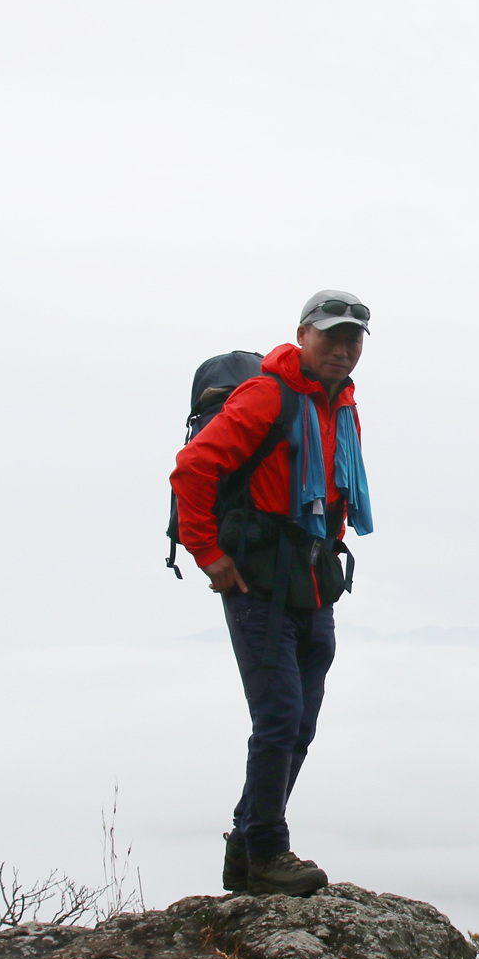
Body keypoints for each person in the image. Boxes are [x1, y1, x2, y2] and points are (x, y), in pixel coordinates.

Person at [169, 290, 373, 896]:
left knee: (300, 723)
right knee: (280, 717)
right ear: (304, 334)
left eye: (354, 339)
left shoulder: (342, 406)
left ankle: (244, 848)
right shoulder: (267, 394)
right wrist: (208, 553)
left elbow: (329, 494)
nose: (342, 349)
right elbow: (193, 467)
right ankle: (267, 852)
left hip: (312, 582)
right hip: (258, 581)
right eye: (332, 336)